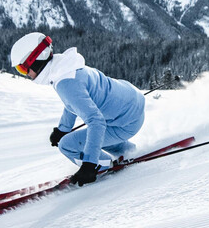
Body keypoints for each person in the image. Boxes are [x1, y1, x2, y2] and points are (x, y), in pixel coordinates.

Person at [9, 32, 145, 186]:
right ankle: (127, 151)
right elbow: (73, 102)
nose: (25, 74)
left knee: (67, 145)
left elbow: (96, 122)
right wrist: (63, 129)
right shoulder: (66, 68)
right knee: (84, 138)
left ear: (35, 60)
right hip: (131, 102)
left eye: (22, 68)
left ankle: (102, 165)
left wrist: (89, 164)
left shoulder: (65, 83)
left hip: (126, 122)